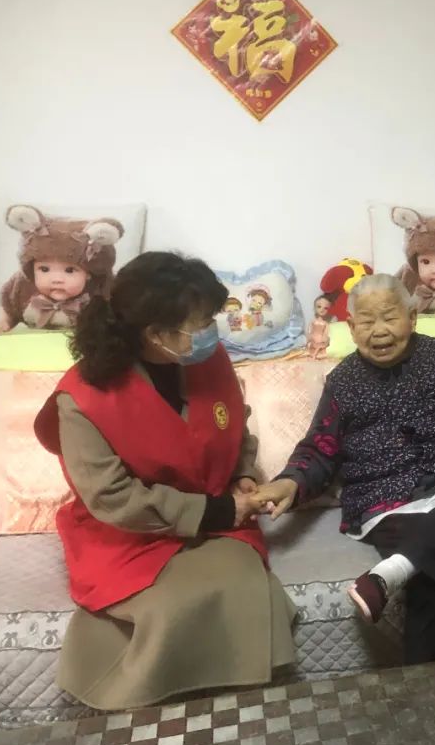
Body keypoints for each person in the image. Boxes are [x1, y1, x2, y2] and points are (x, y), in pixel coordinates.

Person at [33, 252, 296, 710]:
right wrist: (219, 510)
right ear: (156, 334)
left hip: (216, 520)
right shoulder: (81, 398)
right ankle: (149, 714)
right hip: (128, 533)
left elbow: (234, 424)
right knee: (178, 605)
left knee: (245, 586)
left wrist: (242, 475)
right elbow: (112, 498)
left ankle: (240, 715)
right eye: (202, 323)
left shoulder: (206, 361)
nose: (212, 331)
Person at [255, 274, 435, 665]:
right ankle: (428, 690)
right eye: (366, 321)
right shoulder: (343, 382)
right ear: (352, 327)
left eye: (389, 317)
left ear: (412, 318)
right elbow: (320, 447)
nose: (379, 331)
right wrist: (290, 482)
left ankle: (393, 571)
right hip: (391, 502)